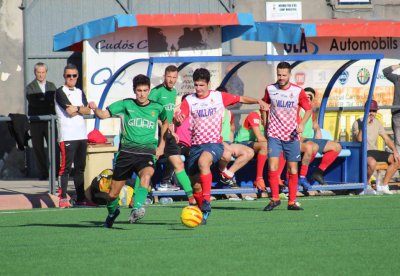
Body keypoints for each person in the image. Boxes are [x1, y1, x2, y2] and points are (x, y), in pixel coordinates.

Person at [175, 68, 268, 224]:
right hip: (196, 146)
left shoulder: (218, 97)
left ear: (208, 84)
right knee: (195, 185)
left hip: (214, 143)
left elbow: (240, 99)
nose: (198, 89)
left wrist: (258, 101)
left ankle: (206, 202)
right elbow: (180, 116)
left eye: (201, 85)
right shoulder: (189, 100)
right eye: (196, 85)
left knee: (204, 161)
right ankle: (202, 212)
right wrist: (178, 120)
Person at [89, 74, 169, 228]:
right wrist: (95, 109)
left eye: (145, 90)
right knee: (112, 194)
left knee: (146, 176)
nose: (142, 94)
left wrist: (161, 146)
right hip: (126, 153)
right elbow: (103, 115)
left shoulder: (157, 108)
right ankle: (112, 213)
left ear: (149, 91)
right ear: (134, 90)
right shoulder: (126, 104)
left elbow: (165, 123)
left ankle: (137, 208)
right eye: (139, 90)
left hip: (146, 152)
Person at [262, 62, 312, 211]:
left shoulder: (298, 91)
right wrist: (265, 124)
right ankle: (275, 199)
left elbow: (308, 109)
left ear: (290, 75)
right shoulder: (270, 89)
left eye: (284, 75)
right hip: (274, 134)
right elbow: (264, 106)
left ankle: (291, 202)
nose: (281, 78)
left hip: (291, 135)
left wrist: (302, 123)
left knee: (292, 169)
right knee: (272, 166)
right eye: (279, 75)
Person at [148, 65, 193, 195]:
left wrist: (172, 130)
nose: (171, 80)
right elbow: (151, 113)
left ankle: (167, 183)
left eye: (174, 77)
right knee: (152, 158)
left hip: (167, 131)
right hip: (156, 131)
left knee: (176, 156)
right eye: (169, 77)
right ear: (164, 76)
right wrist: (163, 126)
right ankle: (146, 187)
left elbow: (170, 114)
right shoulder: (156, 92)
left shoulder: (173, 92)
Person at [55, 64, 92, 208]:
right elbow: (69, 111)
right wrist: (80, 109)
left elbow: (88, 110)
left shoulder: (79, 91)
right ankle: (62, 198)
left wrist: (78, 108)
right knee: (65, 168)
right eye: (68, 75)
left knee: (80, 168)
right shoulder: (60, 92)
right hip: (68, 135)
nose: (71, 78)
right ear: (64, 76)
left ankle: (81, 198)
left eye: (74, 76)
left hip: (81, 135)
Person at [352, 100, 400, 195]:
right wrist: (364, 125)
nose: (371, 113)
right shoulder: (357, 123)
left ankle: (383, 185)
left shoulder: (377, 123)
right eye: (369, 110)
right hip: (361, 151)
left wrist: (395, 151)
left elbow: (386, 138)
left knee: (396, 159)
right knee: (372, 163)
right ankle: (365, 185)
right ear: (365, 110)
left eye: (373, 111)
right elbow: (359, 140)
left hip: (373, 151)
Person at [298, 87, 342, 189]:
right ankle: (302, 176)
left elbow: (314, 124)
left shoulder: (310, 111)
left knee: (337, 147)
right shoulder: (296, 109)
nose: (307, 98)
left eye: (310, 97)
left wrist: (317, 129)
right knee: (312, 147)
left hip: (310, 139)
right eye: (306, 96)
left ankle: (318, 173)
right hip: (300, 140)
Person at [26, 62, 58, 180]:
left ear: (46, 73)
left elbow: (55, 101)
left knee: (54, 146)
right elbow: (34, 103)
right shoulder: (30, 87)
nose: (40, 75)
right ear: (35, 73)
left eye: (43, 72)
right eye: (38, 72)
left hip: (50, 120)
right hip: (36, 122)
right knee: (38, 148)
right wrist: (47, 101)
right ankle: (43, 173)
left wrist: (43, 100)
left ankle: (55, 172)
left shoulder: (52, 85)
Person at [217, 108, 255, 189]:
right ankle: (224, 172)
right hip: (212, 142)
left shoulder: (228, 113)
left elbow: (231, 129)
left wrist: (230, 143)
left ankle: (228, 175)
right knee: (226, 153)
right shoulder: (207, 111)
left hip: (227, 142)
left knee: (249, 152)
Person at [234, 110, 268, 192]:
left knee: (281, 147)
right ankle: (259, 179)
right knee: (265, 146)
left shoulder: (271, 116)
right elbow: (260, 138)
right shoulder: (254, 115)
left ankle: (278, 179)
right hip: (242, 142)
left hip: (255, 144)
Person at [224, 63, 245, 130]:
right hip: (226, 112)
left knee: (233, 129)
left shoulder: (237, 83)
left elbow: (237, 101)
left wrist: (225, 105)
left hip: (233, 112)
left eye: (228, 72)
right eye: (226, 72)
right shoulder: (227, 81)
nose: (226, 74)